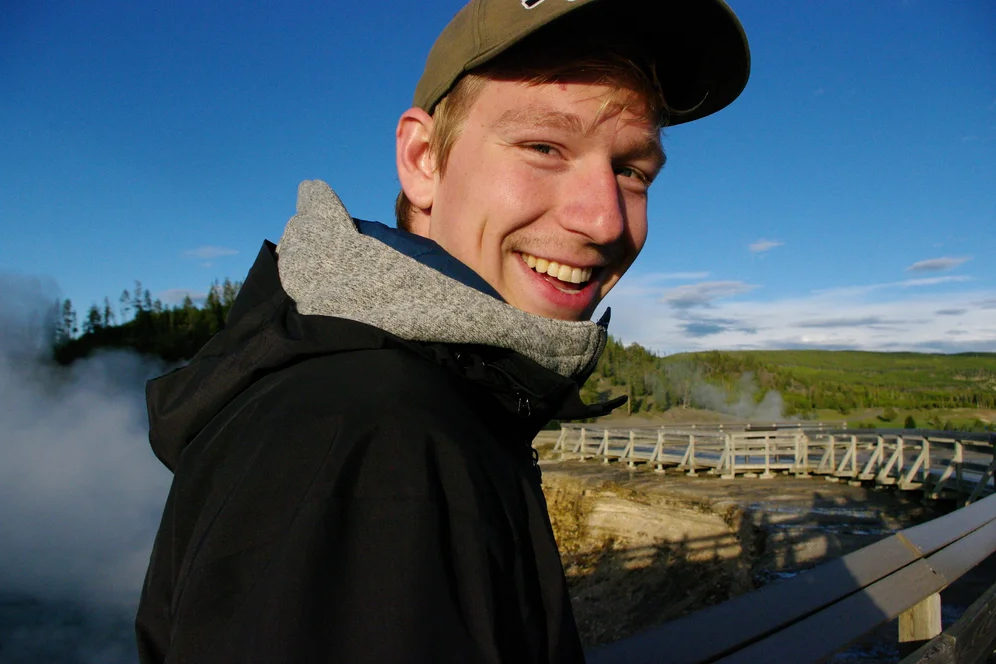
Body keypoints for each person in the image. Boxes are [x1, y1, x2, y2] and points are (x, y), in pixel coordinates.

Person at [135, 0, 749, 662]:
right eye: (544, 147)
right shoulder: (374, 436)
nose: (604, 221)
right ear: (423, 159)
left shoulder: (438, 396)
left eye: (631, 171)